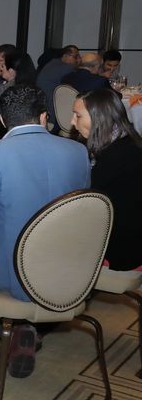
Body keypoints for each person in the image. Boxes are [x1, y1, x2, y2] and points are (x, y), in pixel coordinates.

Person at [0, 85, 89, 376]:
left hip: (9, 268)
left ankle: (13, 329)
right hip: (67, 265)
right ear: (44, 117)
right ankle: (27, 328)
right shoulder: (78, 152)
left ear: (1, 120)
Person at [71, 89, 141, 270]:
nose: (72, 122)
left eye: (78, 116)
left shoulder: (114, 159)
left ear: (99, 118)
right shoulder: (128, 140)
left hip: (122, 249)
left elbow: (88, 204)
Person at [36, 44, 80, 122]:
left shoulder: (53, 62)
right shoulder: (66, 68)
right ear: (66, 55)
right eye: (76, 57)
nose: (78, 59)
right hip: (52, 109)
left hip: (43, 106)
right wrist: (79, 64)